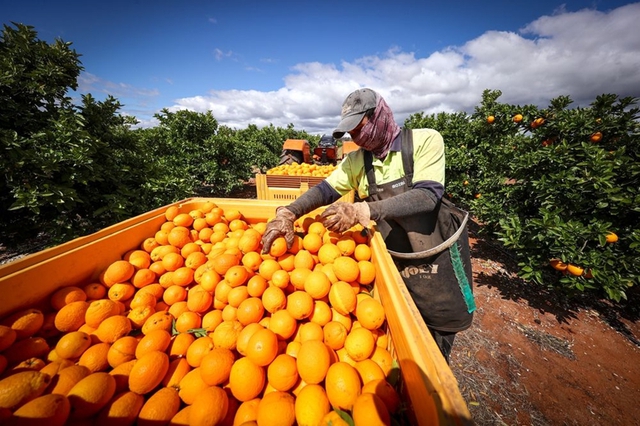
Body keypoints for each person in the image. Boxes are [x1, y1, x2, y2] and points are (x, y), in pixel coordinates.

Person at [261, 88, 475, 362]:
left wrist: (364, 209)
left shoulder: (424, 141)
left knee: (435, 336)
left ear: (379, 116)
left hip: (436, 257)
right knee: (400, 332)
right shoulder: (357, 160)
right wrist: (289, 212)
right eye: (351, 133)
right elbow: (325, 190)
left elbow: (427, 195)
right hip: (394, 262)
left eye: (359, 129)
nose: (356, 138)